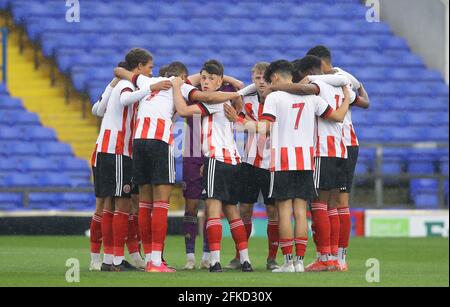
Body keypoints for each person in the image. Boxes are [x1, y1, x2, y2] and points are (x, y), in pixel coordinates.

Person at [114, 61, 243, 272]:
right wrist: (234, 92)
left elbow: (118, 70)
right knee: (161, 204)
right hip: (160, 142)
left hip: (138, 142)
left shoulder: (149, 80)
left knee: (144, 204)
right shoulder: (181, 85)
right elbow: (208, 97)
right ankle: (157, 261)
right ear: (183, 77)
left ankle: (150, 259)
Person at [224, 60, 350, 273]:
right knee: (301, 211)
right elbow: (338, 117)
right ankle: (300, 262)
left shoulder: (274, 97)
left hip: (282, 161)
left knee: (284, 212)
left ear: (274, 77)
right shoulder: (313, 98)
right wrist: (346, 99)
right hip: (305, 161)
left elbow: (263, 128)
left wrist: (238, 120)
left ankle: (288, 262)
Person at [171, 60, 254, 273]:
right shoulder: (230, 100)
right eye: (204, 78)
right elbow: (241, 112)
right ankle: (245, 260)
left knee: (213, 210)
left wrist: (175, 87)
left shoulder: (212, 102)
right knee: (232, 212)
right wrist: (231, 91)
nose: (205, 82)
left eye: (210, 79)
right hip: (234, 161)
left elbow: (181, 110)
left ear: (219, 82)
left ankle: (214, 260)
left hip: (216, 160)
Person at [307, 46, 370, 271]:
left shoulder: (330, 80)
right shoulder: (341, 82)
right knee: (335, 203)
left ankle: (330, 257)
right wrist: (356, 84)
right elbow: (365, 101)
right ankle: (337, 258)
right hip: (345, 146)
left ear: (321, 63)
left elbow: (364, 101)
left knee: (327, 203)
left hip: (334, 145)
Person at [225, 62, 281, 271]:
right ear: (252, 79)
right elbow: (232, 97)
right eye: (257, 78)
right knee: (245, 210)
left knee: (273, 211)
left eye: (264, 78)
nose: (261, 82)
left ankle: (272, 258)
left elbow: (264, 129)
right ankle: (240, 255)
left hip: (272, 164)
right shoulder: (246, 98)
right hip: (248, 162)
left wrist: (239, 119)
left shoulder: (278, 100)